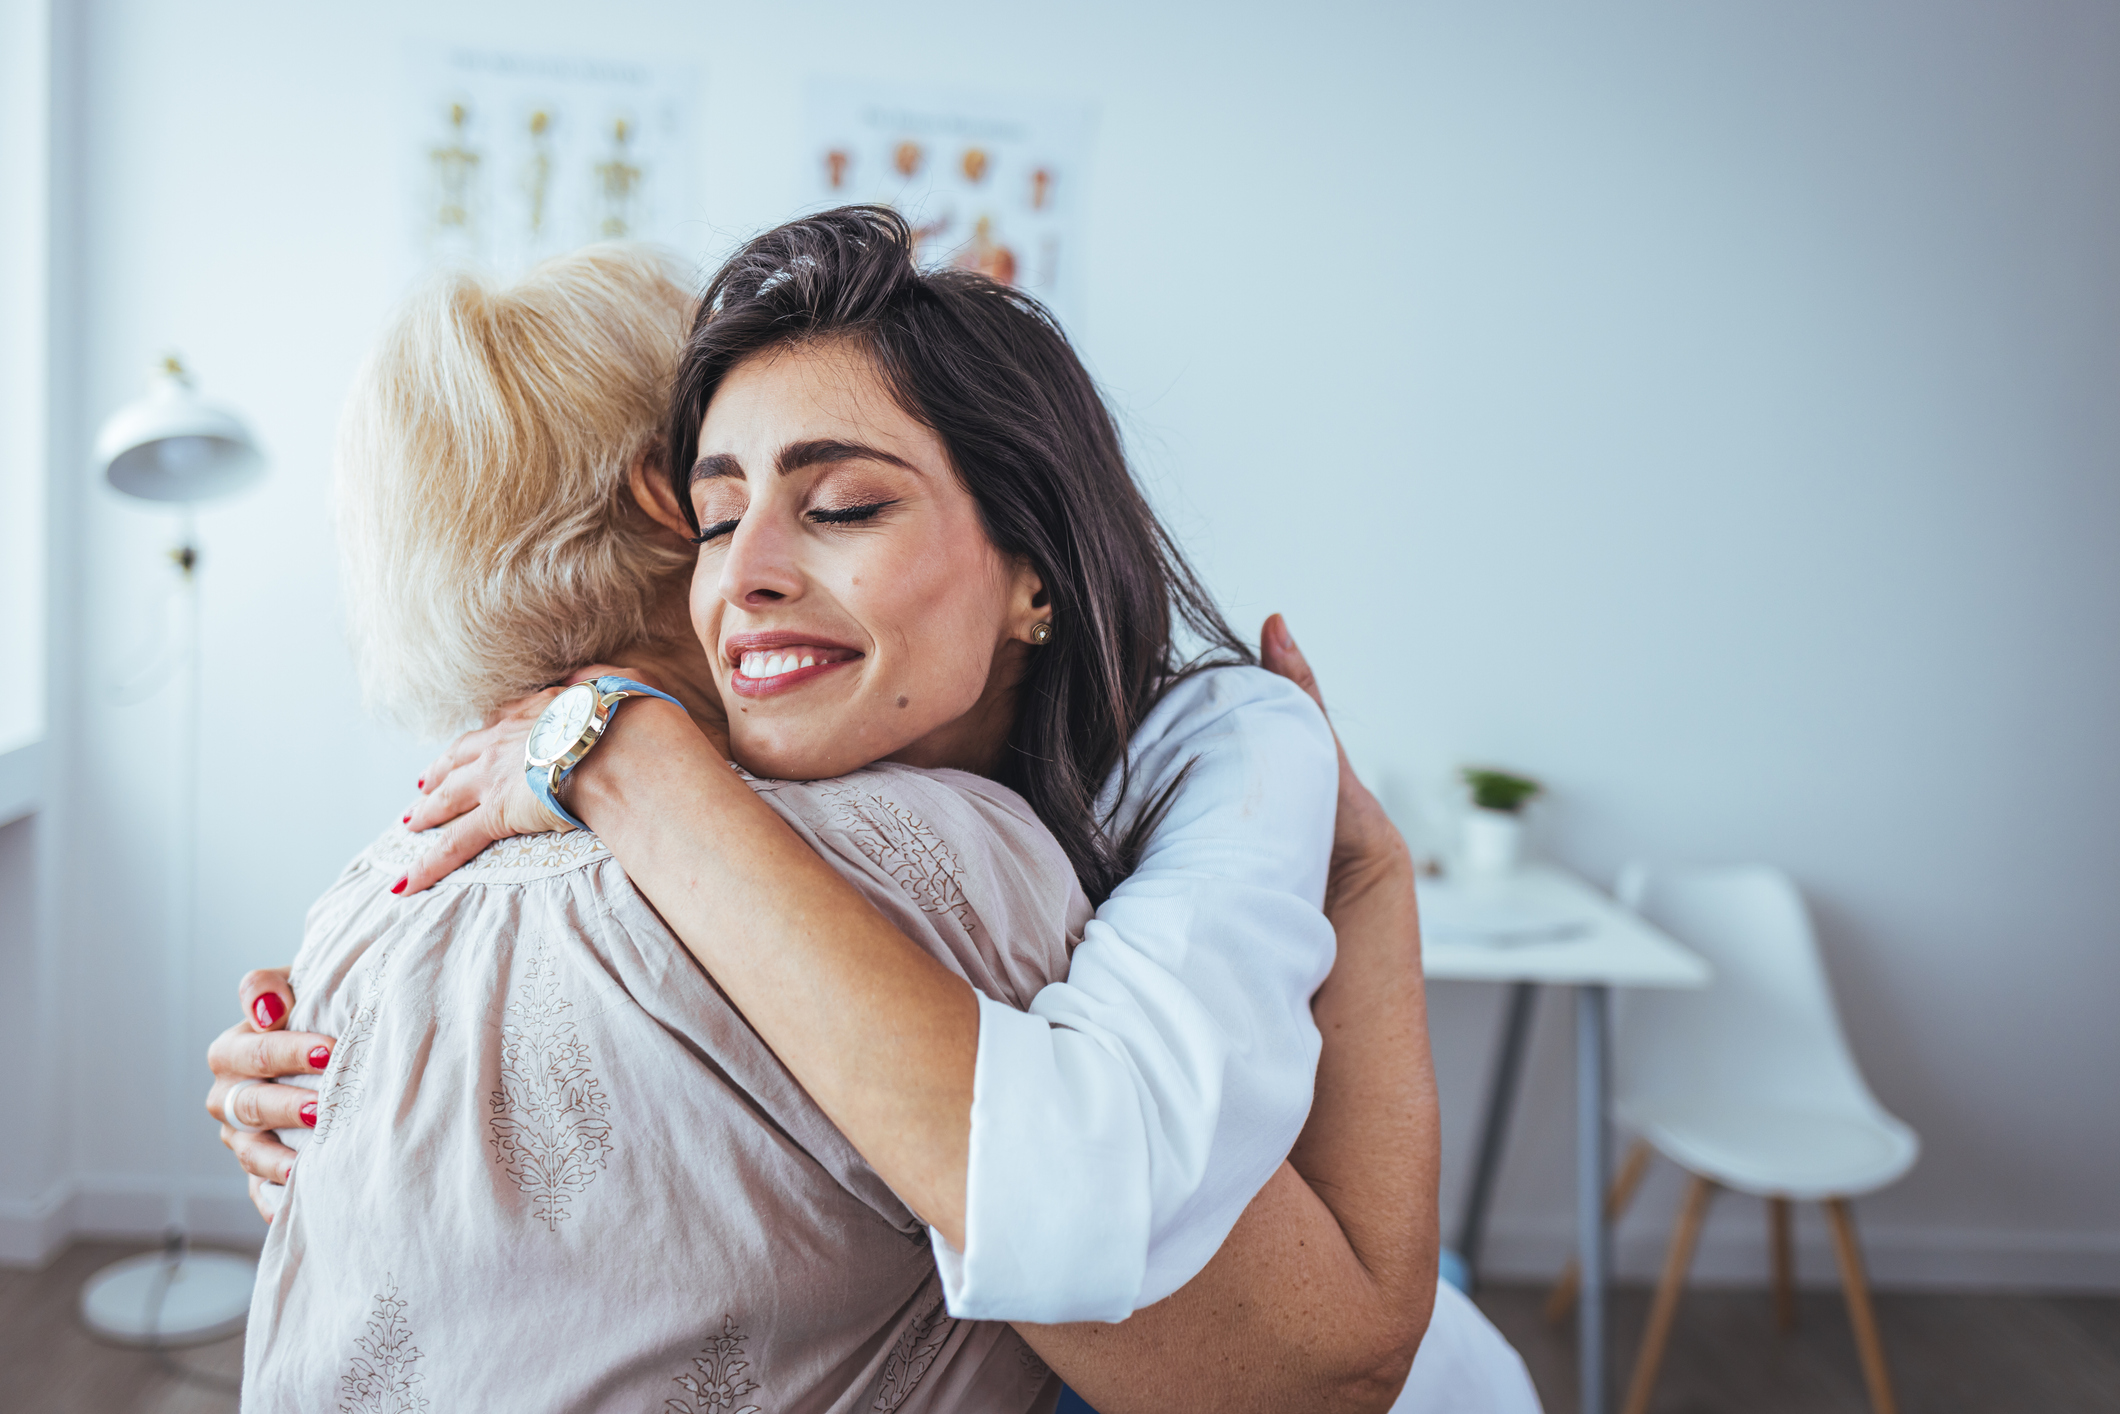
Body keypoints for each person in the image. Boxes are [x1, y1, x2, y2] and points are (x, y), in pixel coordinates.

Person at [208, 211, 1537, 1410]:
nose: (757, 568)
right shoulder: (948, 869)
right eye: (722, 511)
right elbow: (1306, 1356)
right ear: (668, 519)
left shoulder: (365, 904)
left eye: (840, 502)